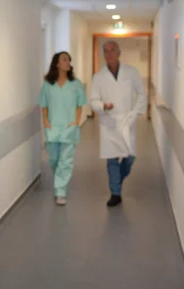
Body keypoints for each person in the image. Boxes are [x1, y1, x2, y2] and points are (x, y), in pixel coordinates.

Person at [90, 40, 147, 207]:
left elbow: (142, 95)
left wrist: (134, 113)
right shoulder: (99, 77)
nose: (109, 54)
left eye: (112, 50)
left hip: (127, 122)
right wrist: (103, 106)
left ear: (119, 52)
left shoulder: (131, 72)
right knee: (112, 159)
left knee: (130, 158)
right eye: (105, 51)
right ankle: (115, 192)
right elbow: (93, 100)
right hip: (109, 122)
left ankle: (118, 180)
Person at [37, 52, 87, 205]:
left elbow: (80, 104)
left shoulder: (76, 84)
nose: (68, 62)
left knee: (65, 161)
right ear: (57, 64)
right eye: (64, 59)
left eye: (69, 60)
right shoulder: (48, 84)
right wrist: (45, 122)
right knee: (53, 160)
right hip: (52, 127)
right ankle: (60, 181)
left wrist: (76, 121)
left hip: (69, 127)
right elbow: (44, 105)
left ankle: (60, 191)